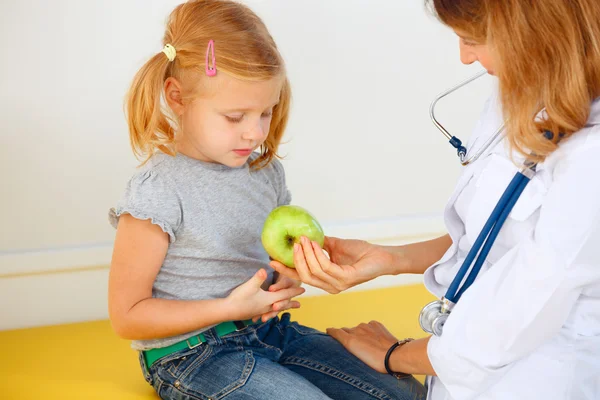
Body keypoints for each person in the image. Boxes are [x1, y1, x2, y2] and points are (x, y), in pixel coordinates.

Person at [270, 0, 600, 399]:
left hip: (536, 380)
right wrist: (390, 259)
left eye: (472, 39)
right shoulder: (522, 88)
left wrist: (395, 354)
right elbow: (498, 232)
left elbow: (517, 315)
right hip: (454, 368)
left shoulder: (590, 157)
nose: (464, 58)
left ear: (536, 31)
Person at [108, 1, 426, 399]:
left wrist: (289, 275)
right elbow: (127, 316)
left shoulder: (264, 171)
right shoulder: (157, 190)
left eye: (266, 113)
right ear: (177, 98)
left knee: (404, 394)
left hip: (268, 331)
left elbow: (274, 262)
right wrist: (228, 309)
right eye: (235, 117)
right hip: (191, 355)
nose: (255, 133)